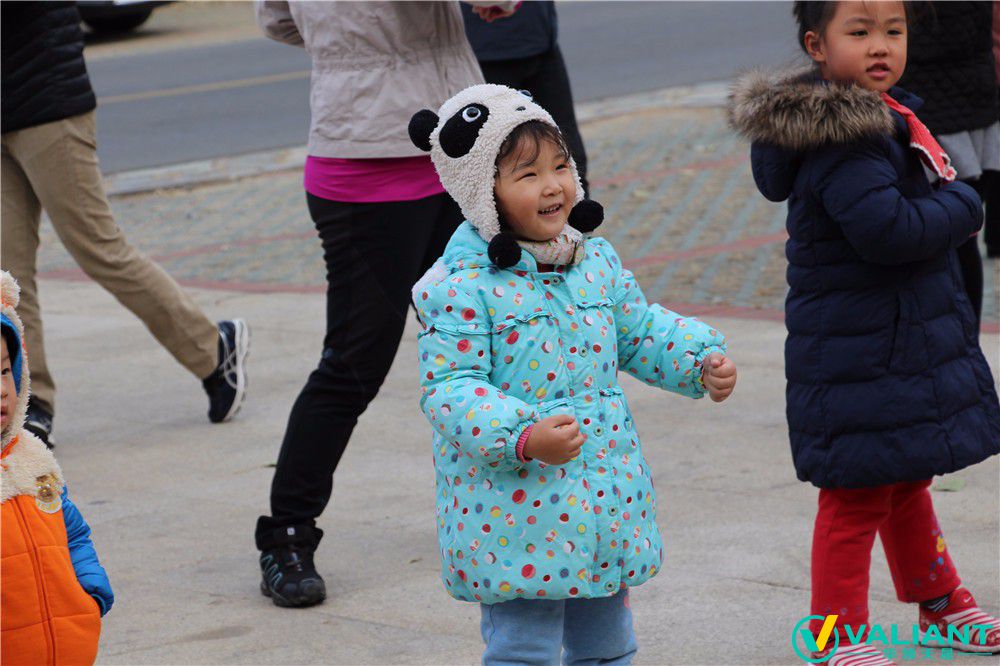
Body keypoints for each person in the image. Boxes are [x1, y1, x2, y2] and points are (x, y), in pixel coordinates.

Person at [409, 84, 737, 663]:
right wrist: (522, 433)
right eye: (528, 174)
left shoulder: (592, 261)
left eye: (560, 166)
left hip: (601, 496)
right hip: (513, 512)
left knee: (608, 643)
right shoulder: (460, 287)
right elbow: (450, 389)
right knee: (524, 647)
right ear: (484, 193)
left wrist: (696, 359)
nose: (553, 185)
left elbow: (637, 330)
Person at [729, 1, 1000, 661]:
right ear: (817, 45)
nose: (881, 45)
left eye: (893, 31)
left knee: (902, 478)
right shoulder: (845, 138)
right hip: (859, 349)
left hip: (889, 341)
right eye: (860, 31)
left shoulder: (882, 115)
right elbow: (890, 231)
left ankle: (941, 603)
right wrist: (965, 202)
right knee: (854, 498)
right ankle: (836, 634)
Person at [252, 1, 494, 608]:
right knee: (356, 363)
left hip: (455, 152)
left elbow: (277, 19)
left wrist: (354, 51)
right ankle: (287, 533)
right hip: (370, 165)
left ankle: (511, 510)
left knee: (490, 345)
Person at [0, 2, 250, 445]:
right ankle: (30, 403)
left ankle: (212, 349)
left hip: (48, 105)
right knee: (7, 276)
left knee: (98, 249)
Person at [1, 270, 114, 665]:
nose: (1, 390)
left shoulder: (32, 460)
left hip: (69, 648)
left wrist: (90, 590)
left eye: (4, 370)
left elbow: (74, 533)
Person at [898, 0, 1000, 322]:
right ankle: (965, 334)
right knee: (959, 237)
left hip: (941, 114)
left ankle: (963, 333)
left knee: (953, 239)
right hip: (968, 104)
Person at [461, 0, 590, 195]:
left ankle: (580, 211)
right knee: (498, 162)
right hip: (485, 51)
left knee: (568, 152)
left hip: (541, 38)